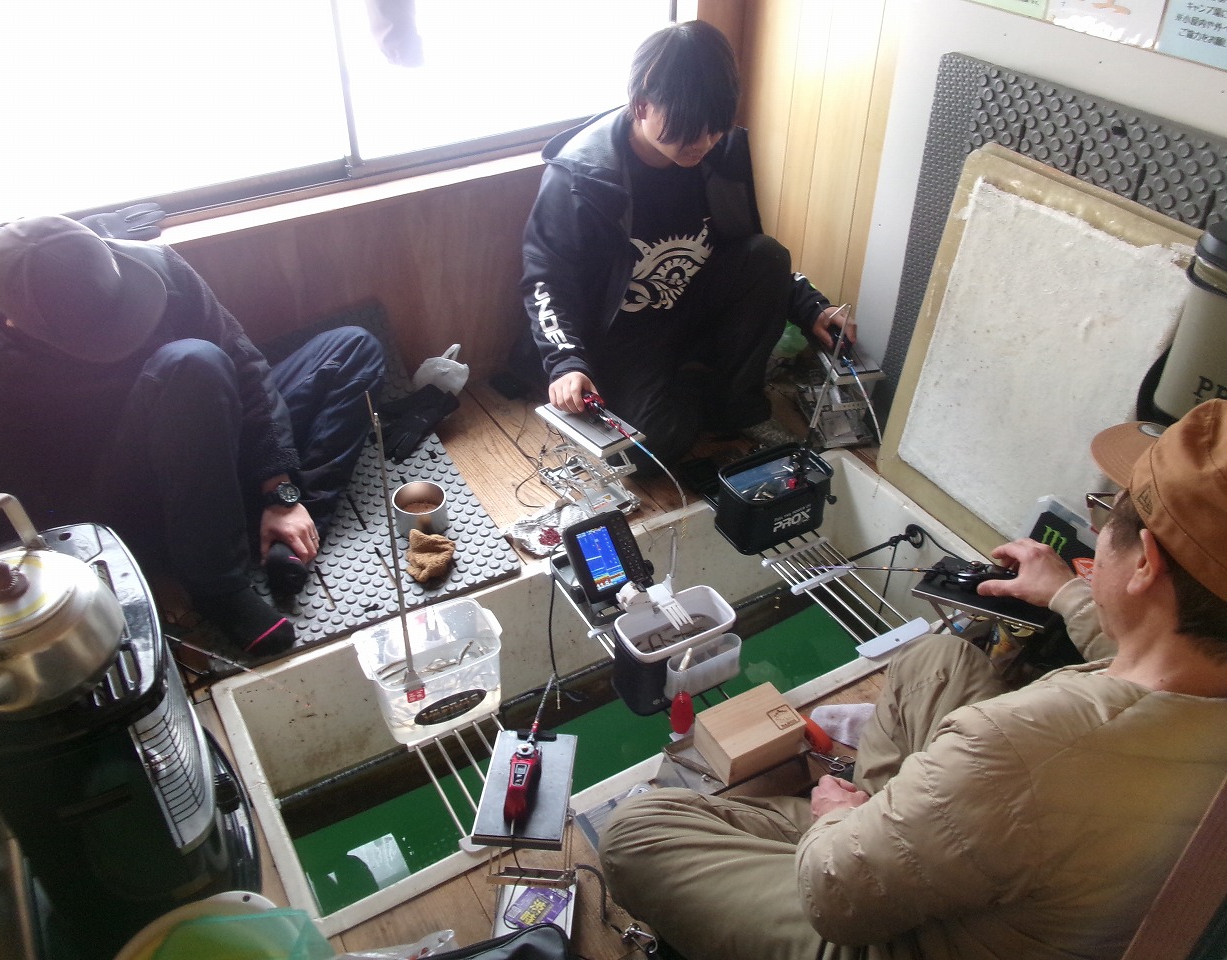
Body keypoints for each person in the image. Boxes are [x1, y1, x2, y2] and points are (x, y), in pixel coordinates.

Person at [598, 400, 1227, 960]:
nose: (1100, 530)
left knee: (636, 831)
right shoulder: (1194, 686)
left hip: (885, 926)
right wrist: (1066, 593)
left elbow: (834, 898)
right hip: (1023, 877)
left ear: (1144, 562)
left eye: (1107, 514)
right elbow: (1154, 645)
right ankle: (889, 824)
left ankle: (871, 826)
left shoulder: (1019, 744)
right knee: (941, 661)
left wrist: (836, 817)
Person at [0, 215, 385, 657]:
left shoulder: (159, 268)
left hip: (210, 437)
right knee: (192, 364)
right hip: (125, 495)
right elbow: (0, 512)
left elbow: (247, 369)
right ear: (15, 323)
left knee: (352, 347)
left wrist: (280, 491)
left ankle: (288, 528)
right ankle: (218, 587)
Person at [517, 20, 848, 468]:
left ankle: (737, 405)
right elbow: (546, 280)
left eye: (715, 129)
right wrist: (566, 362)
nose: (704, 143)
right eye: (690, 130)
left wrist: (811, 306)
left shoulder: (718, 152)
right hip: (619, 335)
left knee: (767, 254)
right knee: (648, 451)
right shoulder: (581, 176)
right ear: (641, 105)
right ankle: (696, 383)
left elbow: (744, 248)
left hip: (687, 305)